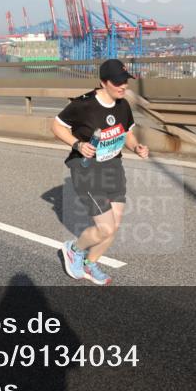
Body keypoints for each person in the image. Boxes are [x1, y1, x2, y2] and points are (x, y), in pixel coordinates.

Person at [51, 59, 149, 285]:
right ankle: (74, 250)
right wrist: (77, 145)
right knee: (105, 228)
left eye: (125, 81)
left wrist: (136, 147)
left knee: (114, 225)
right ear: (103, 82)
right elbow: (56, 126)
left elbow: (126, 134)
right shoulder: (83, 105)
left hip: (113, 167)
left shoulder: (122, 105)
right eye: (118, 82)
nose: (123, 86)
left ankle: (90, 262)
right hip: (87, 170)